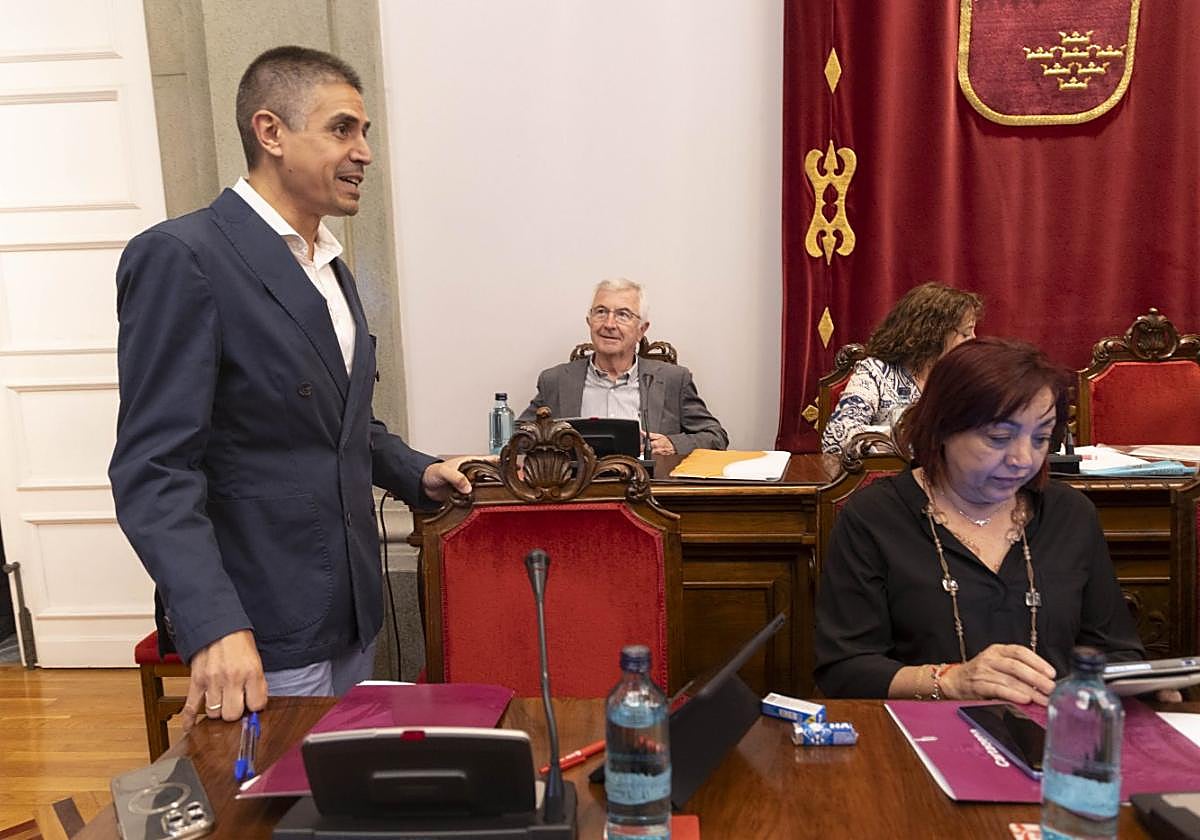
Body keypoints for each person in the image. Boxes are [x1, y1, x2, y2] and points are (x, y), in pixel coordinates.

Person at [108, 46, 472, 732]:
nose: (364, 152)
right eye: (342, 129)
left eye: (365, 134)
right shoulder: (184, 257)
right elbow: (153, 470)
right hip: (259, 624)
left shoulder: (329, 267)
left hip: (351, 608)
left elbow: (343, 425)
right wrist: (214, 623)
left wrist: (421, 473)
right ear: (270, 133)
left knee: (336, 805)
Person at [814, 337, 1154, 705]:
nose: (1024, 459)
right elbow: (844, 670)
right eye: (999, 438)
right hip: (920, 739)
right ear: (943, 428)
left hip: (1053, 736)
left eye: (1041, 439)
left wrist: (1144, 683)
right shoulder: (875, 518)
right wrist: (950, 680)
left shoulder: (1070, 514)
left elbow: (1118, 652)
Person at [519, 278, 728, 455]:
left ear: (641, 329)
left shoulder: (673, 379)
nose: (609, 324)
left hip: (649, 494)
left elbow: (715, 437)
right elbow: (517, 437)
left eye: (623, 315)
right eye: (601, 312)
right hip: (576, 494)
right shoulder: (556, 381)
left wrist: (673, 444)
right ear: (589, 321)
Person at [820, 282, 982, 454]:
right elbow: (836, 438)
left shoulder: (964, 378)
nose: (973, 340)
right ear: (933, 333)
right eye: (965, 333)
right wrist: (909, 437)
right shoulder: (876, 372)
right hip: (892, 477)